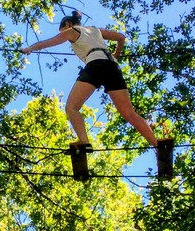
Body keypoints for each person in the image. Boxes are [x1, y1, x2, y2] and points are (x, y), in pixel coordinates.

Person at [21, 11, 167, 150]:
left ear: (67, 24)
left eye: (63, 30)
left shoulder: (72, 31)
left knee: (71, 108)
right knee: (129, 113)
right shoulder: (95, 30)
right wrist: (116, 53)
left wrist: (30, 48)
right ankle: (157, 146)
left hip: (95, 65)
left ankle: (84, 141)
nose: (64, 35)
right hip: (112, 67)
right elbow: (121, 37)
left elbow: (50, 42)